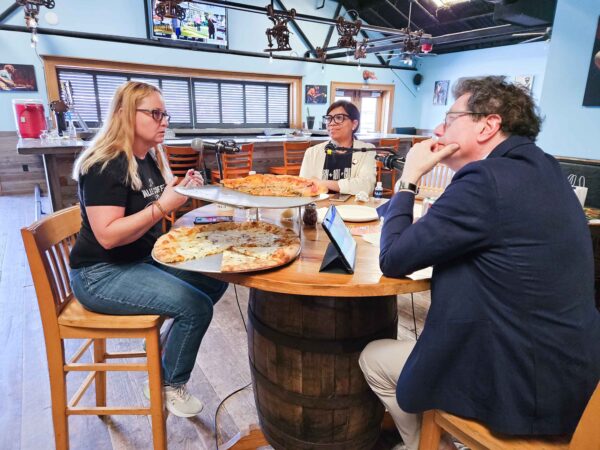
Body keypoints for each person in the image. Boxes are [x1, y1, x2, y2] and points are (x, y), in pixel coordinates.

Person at [359, 76, 600, 450]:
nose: (438, 129)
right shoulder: (540, 166)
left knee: (374, 359)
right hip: (567, 371)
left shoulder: (485, 178)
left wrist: (407, 178)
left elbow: (393, 259)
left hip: (521, 384)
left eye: (449, 118)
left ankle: (433, 445)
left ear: (488, 125)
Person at [69, 81, 228, 418]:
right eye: (155, 113)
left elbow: (147, 200)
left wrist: (174, 189)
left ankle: (164, 350)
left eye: (165, 113)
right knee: (196, 307)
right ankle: (168, 384)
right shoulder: (104, 164)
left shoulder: (148, 157)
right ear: (127, 114)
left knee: (217, 277)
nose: (164, 120)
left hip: (141, 259)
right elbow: (108, 237)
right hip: (100, 273)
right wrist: (162, 206)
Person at [299, 100, 376, 195]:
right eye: (329, 119)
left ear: (354, 124)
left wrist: (322, 183)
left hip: (354, 207)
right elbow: (303, 187)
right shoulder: (312, 152)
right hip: (320, 208)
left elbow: (366, 186)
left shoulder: (366, 150)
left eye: (339, 118)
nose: (331, 123)